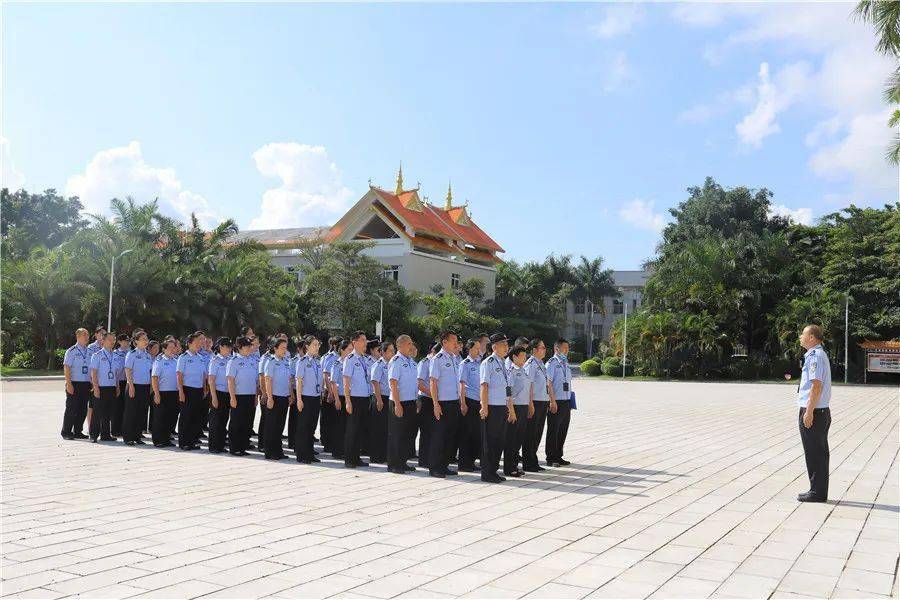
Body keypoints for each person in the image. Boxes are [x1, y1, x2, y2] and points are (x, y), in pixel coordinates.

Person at [796, 325, 832, 503]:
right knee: (818, 452)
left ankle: (817, 492)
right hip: (820, 410)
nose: (800, 337)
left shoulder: (815, 356)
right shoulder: (817, 354)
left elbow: (816, 386)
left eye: (803, 334)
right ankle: (817, 490)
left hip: (815, 411)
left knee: (815, 452)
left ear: (811, 337)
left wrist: (808, 412)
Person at [479, 333, 513, 483]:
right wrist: (484, 406)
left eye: (507, 344)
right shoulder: (489, 362)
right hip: (492, 407)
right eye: (503, 344)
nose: (507, 347)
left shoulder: (503, 363)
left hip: (502, 407)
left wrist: (509, 408)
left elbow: (506, 388)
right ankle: (487, 473)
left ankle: (494, 470)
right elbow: (484, 386)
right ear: (494, 346)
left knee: (499, 440)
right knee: (490, 441)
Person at [428, 331, 461, 478]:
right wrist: (435, 404)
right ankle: (435, 467)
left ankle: (444, 465)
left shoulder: (454, 358)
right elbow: (433, 383)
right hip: (442, 403)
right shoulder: (437, 359)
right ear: (444, 342)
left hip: (453, 402)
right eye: (453, 340)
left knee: (450, 436)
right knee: (439, 436)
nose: (456, 343)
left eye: (456, 340)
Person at [387, 335, 418, 474]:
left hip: (410, 402)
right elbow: (393, 383)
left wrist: (416, 399)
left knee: (408, 434)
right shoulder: (396, 361)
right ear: (400, 346)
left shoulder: (411, 361)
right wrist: (397, 404)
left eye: (411, 343)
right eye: (409, 343)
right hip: (399, 402)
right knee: (397, 434)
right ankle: (394, 464)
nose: (411, 346)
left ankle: (403, 461)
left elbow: (413, 383)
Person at [523, 338, 555, 472]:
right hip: (534, 402)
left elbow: (547, 384)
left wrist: (550, 400)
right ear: (534, 350)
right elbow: (528, 384)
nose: (544, 350)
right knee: (531, 433)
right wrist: (530, 404)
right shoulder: (530, 363)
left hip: (543, 401)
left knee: (538, 433)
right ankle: (528, 462)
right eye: (542, 347)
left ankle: (533, 460)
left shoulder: (541, 363)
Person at [342, 331, 371, 468]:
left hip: (365, 398)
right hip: (354, 399)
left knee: (360, 430)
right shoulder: (350, 359)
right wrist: (347, 401)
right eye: (363, 340)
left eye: (365, 340)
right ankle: (349, 459)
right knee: (352, 430)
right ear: (355, 342)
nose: (365, 342)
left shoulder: (364, 358)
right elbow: (346, 381)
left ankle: (356, 457)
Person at [176, 332, 208, 450]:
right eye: (196, 342)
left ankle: (192, 441)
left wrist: (205, 388)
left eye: (200, 342)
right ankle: (184, 442)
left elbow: (204, 375)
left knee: (196, 416)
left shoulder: (200, 358)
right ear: (189, 343)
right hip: (187, 389)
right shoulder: (183, 357)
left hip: (198, 390)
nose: (199, 344)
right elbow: (179, 375)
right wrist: (181, 391)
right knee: (186, 416)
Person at [504, 345, 532, 477]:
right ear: (514, 357)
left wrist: (529, 405)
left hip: (523, 406)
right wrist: (511, 410)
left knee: (519, 438)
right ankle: (509, 468)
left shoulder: (524, 370)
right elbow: (508, 393)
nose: (525, 358)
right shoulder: (510, 372)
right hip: (514, 407)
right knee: (512, 439)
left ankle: (515, 465)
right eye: (522, 355)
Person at [262, 338, 293, 460]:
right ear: (275, 348)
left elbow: (289, 380)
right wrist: (269, 398)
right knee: (271, 426)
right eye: (283, 348)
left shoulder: (286, 361)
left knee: (280, 425)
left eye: (286, 348)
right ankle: (270, 452)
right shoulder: (271, 361)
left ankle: (278, 450)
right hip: (274, 397)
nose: (285, 350)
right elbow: (267, 380)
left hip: (284, 397)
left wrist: (290, 394)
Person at [226, 336, 257, 456]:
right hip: (238, 396)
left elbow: (254, 381)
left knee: (247, 422)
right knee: (236, 423)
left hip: (250, 396)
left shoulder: (252, 360)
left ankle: (243, 446)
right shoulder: (234, 361)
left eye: (250, 346)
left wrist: (255, 397)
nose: (250, 348)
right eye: (247, 346)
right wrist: (232, 397)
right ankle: (234, 448)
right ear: (239, 347)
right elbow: (230, 380)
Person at [294, 336, 322, 463]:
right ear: (307, 346)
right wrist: (299, 399)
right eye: (314, 345)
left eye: (318, 345)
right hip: (305, 397)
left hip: (315, 397)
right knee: (303, 427)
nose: (317, 347)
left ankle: (310, 453)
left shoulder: (317, 361)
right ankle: (302, 455)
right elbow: (299, 381)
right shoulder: (302, 361)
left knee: (311, 427)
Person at [456, 339, 483, 472]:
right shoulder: (465, 364)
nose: (479, 350)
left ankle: (471, 461)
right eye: (476, 348)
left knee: (476, 434)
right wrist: (462, 403)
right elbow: (461, 384)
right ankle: (464, 463)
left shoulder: (480, 363)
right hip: (469, 401)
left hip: (479, 402)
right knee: (467, 433)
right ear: (470, 349)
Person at [61, 328, 92, 440]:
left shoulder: (89, 351)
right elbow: (67, 367)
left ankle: (78, 431)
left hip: (86, 384)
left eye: (87, 335)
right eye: (84, 335)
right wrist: (69, 383)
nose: (87, 337)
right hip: (74, 383)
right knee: (71, 408)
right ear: (78, 336)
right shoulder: (71, 351)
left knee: (83, 409)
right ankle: (66, 432)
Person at [545, 338, 572, 467]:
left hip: (566, 401)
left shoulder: (565, 363)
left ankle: (559, 455)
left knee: (563, 430)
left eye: (568, 348)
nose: (567, 350)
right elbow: (548, 383)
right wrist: (552, 401)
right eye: (564, 348)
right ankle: (551, 457)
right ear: (557, 349)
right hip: (556, 401)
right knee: (553, 430)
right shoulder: (551, 363)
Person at [123, 330, 152, 445]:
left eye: (146, 339)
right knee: (131, 412)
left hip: (145, 387)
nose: (146, 341)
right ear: (136, 341)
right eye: (143, 339)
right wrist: (130, 385)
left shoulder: (148, 355)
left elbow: (150, 372)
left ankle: (137, 436)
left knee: (141, 412)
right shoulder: (132, 354)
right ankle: (128, 437)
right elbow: (128, 369)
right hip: (133, 386)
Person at [89, 332, 119, 442]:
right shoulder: (97, 355)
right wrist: (95, 388)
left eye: (114, 340)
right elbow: (94, 373)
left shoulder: (115, 356)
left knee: (108, 412)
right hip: (100, 387)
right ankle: (93, 435)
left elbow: (116, 373)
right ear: (103, 341)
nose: (112, 342)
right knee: (97, 412)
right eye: (110, 340)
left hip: (111, 387)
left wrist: (117, 387)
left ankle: (105, 435)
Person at [369, 340, 394, 464]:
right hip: (380, 398)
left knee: (386, 429)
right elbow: (375, 382)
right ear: (383, 352)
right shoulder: (378, 364)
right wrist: (379, 400)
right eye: (390, 351)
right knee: (378, 428)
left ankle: (384, 455)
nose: (392, 353)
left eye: (393, 351)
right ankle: (376, 456)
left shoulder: (392, 364)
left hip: (388, 398)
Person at [207, 337, 233, 453]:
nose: (229, 349)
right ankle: (214, 446)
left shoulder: (230, 360)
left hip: (227, 393)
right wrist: (214, 397)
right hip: (217, 393)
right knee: (215, 421)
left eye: (230, 347)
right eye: (227, 347)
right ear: (221, 347)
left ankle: (221, 444)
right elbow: (211, 380)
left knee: (224, 419)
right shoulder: (215, 360)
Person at [326, 340, 352, 460]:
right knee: (339, 425)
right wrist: (336, 399)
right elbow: (333, 382)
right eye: (349, 350)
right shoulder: (337, 364)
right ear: (342, 350)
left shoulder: (352, 362)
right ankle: (337, 451)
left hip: (350, 397)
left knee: (348, 426)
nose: (351, 352)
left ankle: (346, 450)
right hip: (340, 397)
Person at [151, 340, 179, 447]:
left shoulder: (176, 360)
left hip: (174, 393)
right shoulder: (159, 361)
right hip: (162, 393)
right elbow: (154, 378)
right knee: (160, 418)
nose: (173, 349)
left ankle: (166, 439)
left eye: (174, 347)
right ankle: (158, 440)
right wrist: (156, 394)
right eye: (170, 347)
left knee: (170, 418)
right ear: (164, 349)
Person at [416, 344, 439, 468]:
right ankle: (423, 459)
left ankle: (431, 457)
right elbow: (419, 384)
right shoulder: (425, 362)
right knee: (426, 431)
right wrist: (434, 395)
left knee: (434, 431)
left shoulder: (436, 362)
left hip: (434, 399)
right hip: (426, 399)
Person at [319, 337, 340, 454]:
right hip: (329, 391)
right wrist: (330, 392)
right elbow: (326, 375)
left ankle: (331, 441)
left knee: (333, 419)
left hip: (335, 391)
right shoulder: (330, 357)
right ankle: (326, 443)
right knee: (327, 418)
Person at [111, 333, 131, 437]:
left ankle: (124, 429)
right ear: (119, 342)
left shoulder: (130, 352)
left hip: (128, 382)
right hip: (119, 381)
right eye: (125, 341)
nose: (127, 343)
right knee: (117, 407)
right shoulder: (115, 353)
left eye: (128, 341)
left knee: (126, 407)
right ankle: (115, 430)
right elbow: (115, 369)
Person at [145, 340, 160, 437]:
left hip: (155, 387)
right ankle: (142, 428)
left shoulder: (159, 359)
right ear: (149, 348)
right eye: (154, 348)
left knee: (154, 409)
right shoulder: (146, 357)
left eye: (158, 348)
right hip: (146, 385)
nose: (156, 350)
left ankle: (151, 427)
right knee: (144, 408)